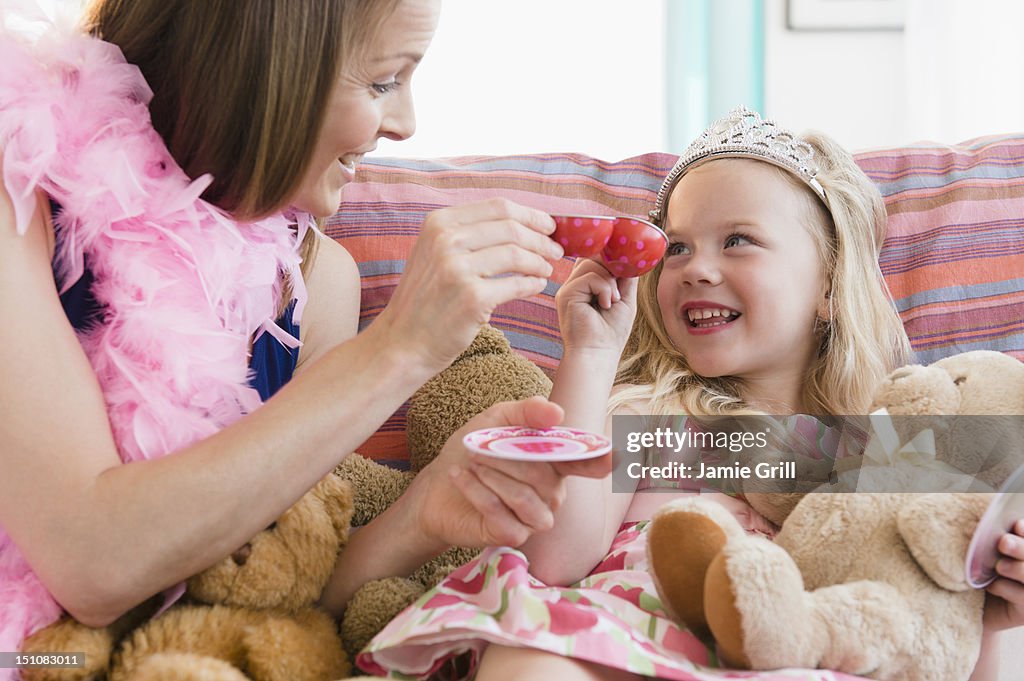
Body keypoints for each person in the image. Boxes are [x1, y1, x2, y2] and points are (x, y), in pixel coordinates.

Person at [0, 0, 610, 671]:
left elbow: (274, 592)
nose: (406, 123)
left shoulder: (313, 279)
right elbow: (91, 563)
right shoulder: (18, 191)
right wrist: (398, 348)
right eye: (383, 81)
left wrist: (426, 509)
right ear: (266, 65)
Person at [360, 107, 1024, 681]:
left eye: (738, 240)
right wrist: (591, 352)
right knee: (527, 652)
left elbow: (936, 645)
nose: (696, 268)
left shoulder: (884, 451)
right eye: (676, 247)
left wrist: (989, 606)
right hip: (625, 646)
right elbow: (552, 559)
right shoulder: (654, 416)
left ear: (827, 285)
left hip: (795, 652)